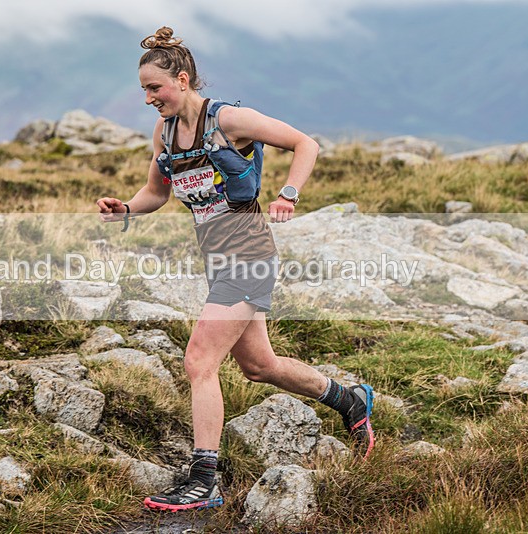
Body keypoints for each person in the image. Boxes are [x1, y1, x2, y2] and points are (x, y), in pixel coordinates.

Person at [96, 26, 374, 513]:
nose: (147, 98)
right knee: (258, 365)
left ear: (181, 80)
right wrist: (125, 210)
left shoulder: (229, 119)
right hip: (218, 259)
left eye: (154, 87)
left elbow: (305, 144)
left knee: (199, 361)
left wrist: (289, 193)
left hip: (249, 255)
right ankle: (349, 401)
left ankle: (205, 480)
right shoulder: (164, 134)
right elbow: (157, 194)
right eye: (142, 89)